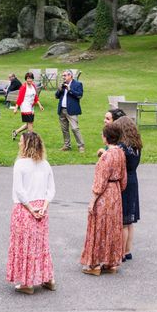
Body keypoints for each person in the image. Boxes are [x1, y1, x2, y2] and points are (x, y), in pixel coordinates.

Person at [6, 132, 56, 295]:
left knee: (25, 246)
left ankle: (27, 283)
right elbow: (51, 189)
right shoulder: (45, 164)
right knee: (41, 245)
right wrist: (44, 206)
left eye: (21, 142)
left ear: (26, 145)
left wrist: (29, 207)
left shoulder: (20, 164)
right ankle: (48, 278)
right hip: (41, 207)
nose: (19, 144)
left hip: (24, 209)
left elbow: (19, 190)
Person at [80, 124, 127, 275]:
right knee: (112, 226)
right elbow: (123, 178)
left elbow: (100, 182)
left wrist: (92, 200)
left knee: (99, 225)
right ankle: (111, 262)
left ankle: (95, 265)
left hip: (105, 193)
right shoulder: (120, 153)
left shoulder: (107, 156)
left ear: (106, 138)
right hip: (116, 192)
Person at [113, 116, 142, 263]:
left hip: (124, 181)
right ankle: (128, 250)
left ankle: (122, 252)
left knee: (123, 221)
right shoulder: (136, 146)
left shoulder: (122, 148)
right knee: (129, 221)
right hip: (133, 180)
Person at [55, 69, 85, 153]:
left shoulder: (77, 84)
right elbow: (56, 96)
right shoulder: (63, 85)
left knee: (75, 128)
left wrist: (70, 90)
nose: (63, 77)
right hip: (62, 110)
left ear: (70, 76)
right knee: (64, 129)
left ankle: (81, 146)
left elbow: (79, 95)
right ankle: (67, 145)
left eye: (65, 75)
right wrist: (60, 89)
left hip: (71, 110)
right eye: (63, 75)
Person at [12, 72, 44, 140]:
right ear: (26, 79)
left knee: (29, 123)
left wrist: (40, 105)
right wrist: (16, 108)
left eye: (30, 78)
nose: (29, 80)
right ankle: (31, 139)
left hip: (31, 106)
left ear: (32, 79)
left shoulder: (33, 86)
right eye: (28, 78)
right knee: (30, 124)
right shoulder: (23, 87)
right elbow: (19, 98)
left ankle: (15, 132)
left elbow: (35, 97)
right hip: (25, 106)